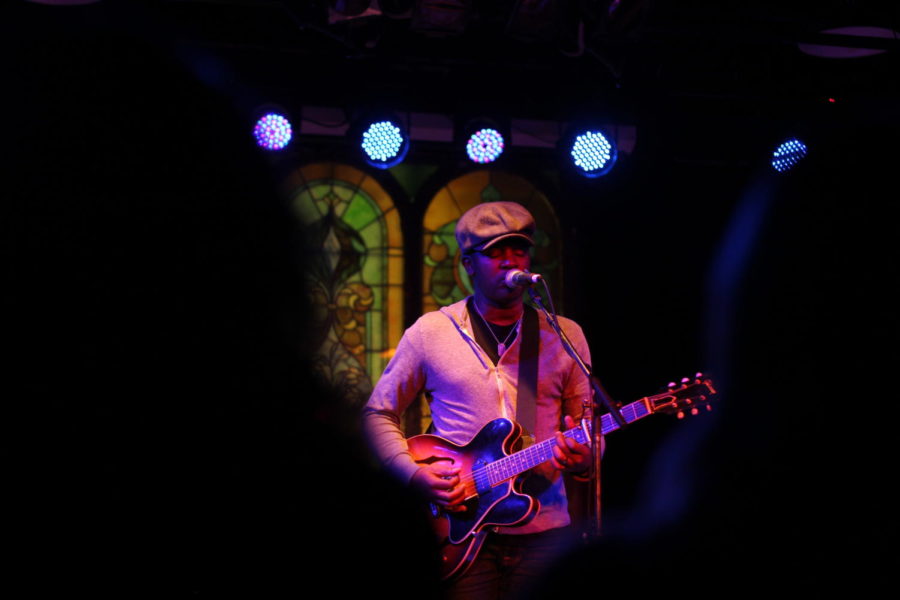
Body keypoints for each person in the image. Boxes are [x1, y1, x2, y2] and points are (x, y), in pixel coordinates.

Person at [363, 201, 598, 599]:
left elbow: (587, 425)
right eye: (494, 251)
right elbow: (378, 413)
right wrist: (415, 474)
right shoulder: (431, 332)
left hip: (545, 532)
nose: (510, 261)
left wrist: (586, 456)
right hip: (459, 531)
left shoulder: (564, 334)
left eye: (519, 249)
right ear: (468, 264)